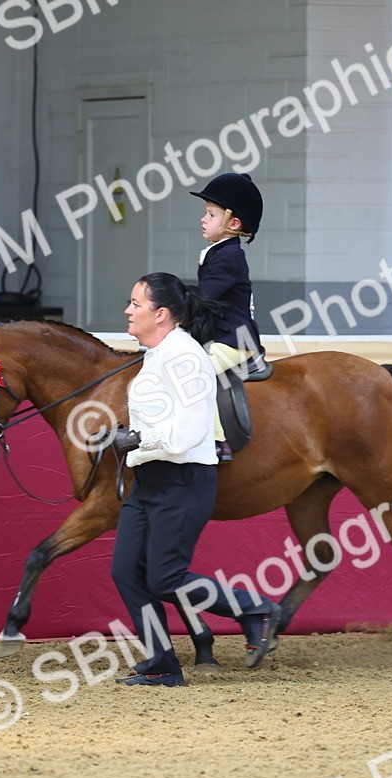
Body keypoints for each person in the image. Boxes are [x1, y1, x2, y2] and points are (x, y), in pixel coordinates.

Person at [108, 272, 282, 687]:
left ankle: (254, 608)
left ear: (161, 314)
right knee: (126, 572)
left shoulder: (185, 357)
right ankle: (162, 663)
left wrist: (137, 438)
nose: (127, 310)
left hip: (183, 480)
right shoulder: (157, 354)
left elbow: (188, 431)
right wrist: (123, 436)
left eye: (136, 304)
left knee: (165, 578)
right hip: (149, 480)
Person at [189, 172, 266, 461]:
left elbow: (204, 296)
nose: (203, 219)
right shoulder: (217, 251)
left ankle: (217, 440)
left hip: (234, 338)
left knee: (197, 371)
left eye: (211, 214)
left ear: (233, 224)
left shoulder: (229, 256)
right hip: (221, 334)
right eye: (205, 212)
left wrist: (170, 307)